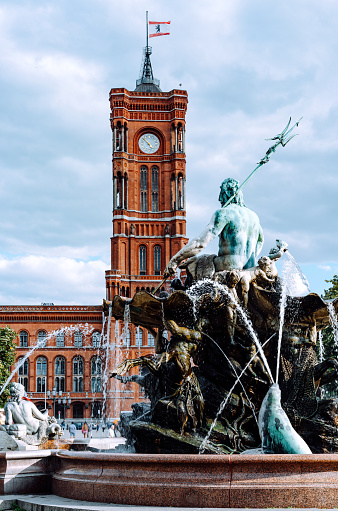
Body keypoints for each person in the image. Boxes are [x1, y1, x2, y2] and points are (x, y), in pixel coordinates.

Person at [164, 178, 264, 281]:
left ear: (227, 193)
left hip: (228, 268)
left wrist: (175, 260)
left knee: (196, 263)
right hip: (250, 271)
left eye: (221, 194)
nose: (220, 199)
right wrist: (245, 256)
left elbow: (199, 243)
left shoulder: (224, 213)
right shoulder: (254, 217)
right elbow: (260, 241)